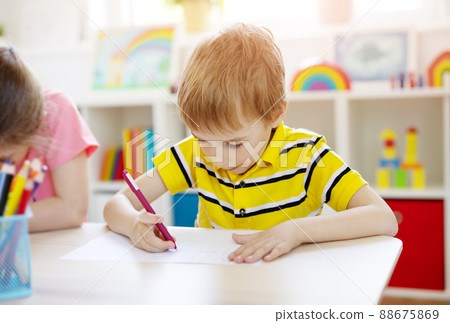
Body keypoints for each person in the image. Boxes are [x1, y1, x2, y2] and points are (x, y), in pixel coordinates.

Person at [104, 23, 397, 263]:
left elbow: (383, 218)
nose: (218, 158)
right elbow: (117, 204)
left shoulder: (307, 155)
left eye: (234, 144)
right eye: (204, 139)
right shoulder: (194, 152)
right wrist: (133, 226)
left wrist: (295, 231)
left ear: (276, 113)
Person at [0, 46, 98, 232]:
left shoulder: (58, 110)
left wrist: (5, 222)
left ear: (37, 125)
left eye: (3, 158)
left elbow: (72, 210)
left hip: (59, 245)